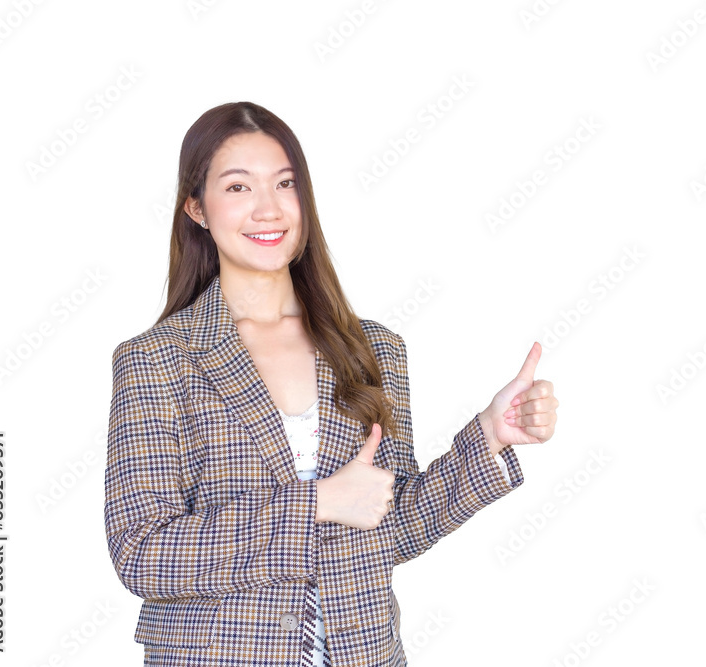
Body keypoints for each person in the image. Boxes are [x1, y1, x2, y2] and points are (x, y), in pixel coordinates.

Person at [103, 101, 559, 666]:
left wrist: (490, 435)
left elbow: (391, 527)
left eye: (285, 183)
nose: (268, 209)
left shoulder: (373, 349)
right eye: (239, 187)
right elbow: (143, 553)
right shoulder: (156, 360)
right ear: (197, 207)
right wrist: (316, 503)